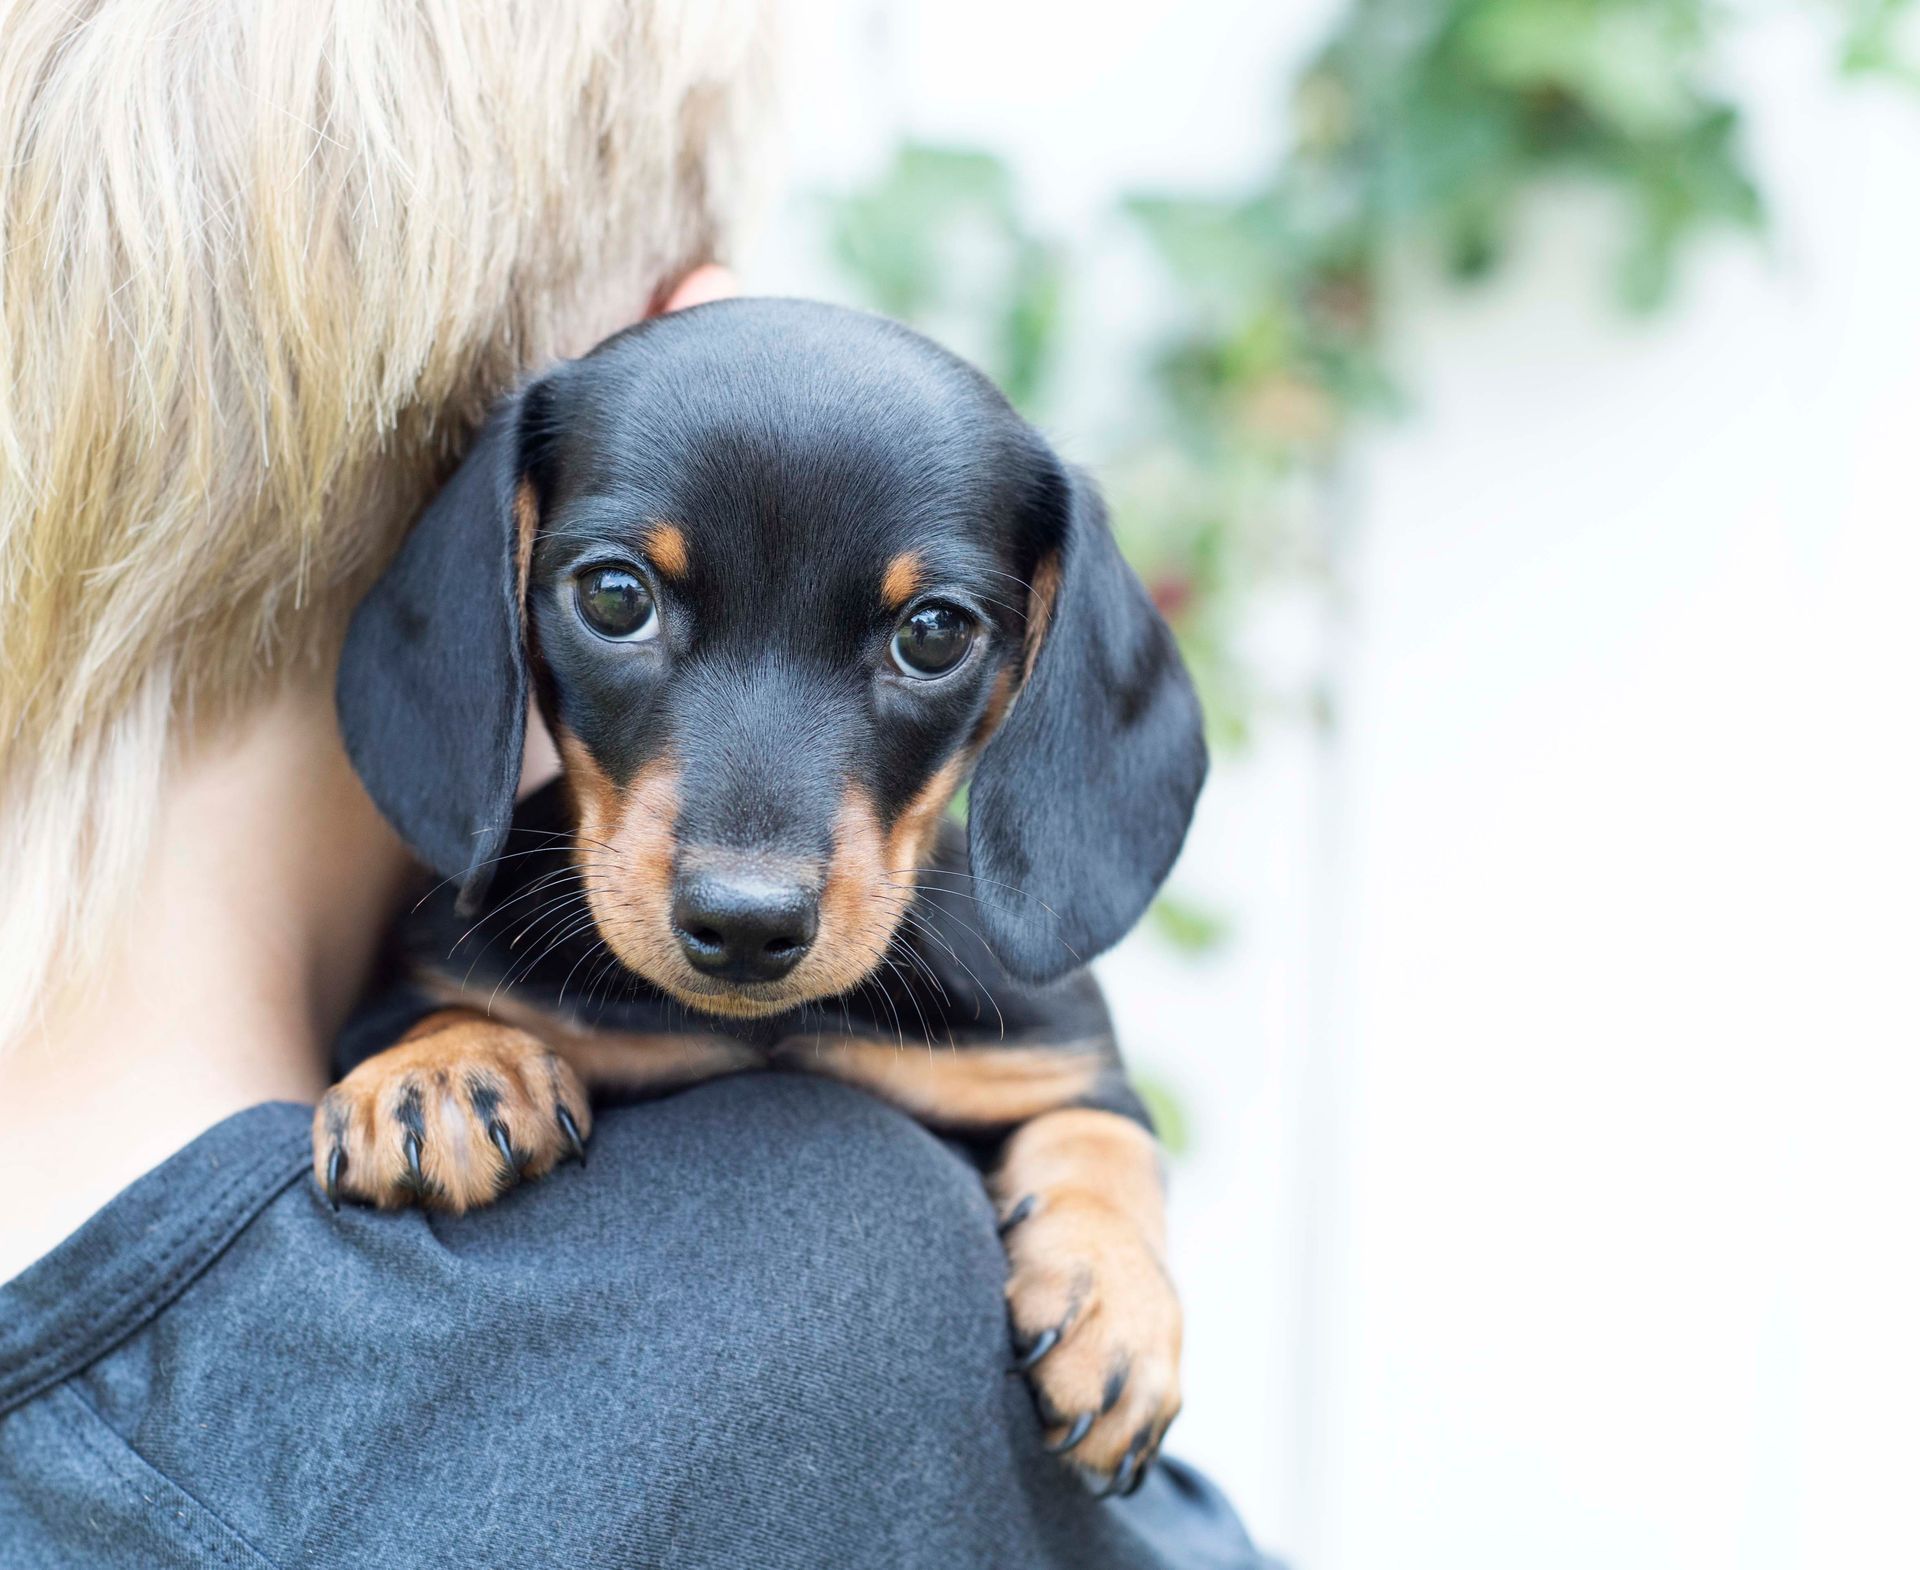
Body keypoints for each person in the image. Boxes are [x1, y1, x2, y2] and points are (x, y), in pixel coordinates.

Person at [0, 6, 1273, 1565]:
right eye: (619, 601)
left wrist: (1095, 1184)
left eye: (931, 637)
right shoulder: (807, 1288)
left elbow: (1074, 1101)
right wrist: (454, 1038)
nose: (745, 884)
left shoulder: (980, 1024)